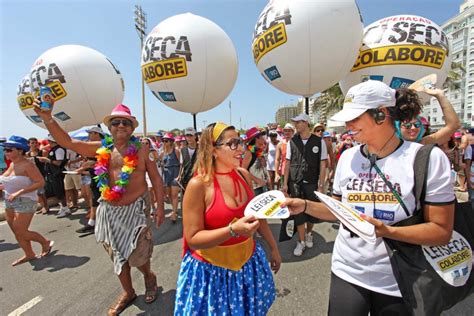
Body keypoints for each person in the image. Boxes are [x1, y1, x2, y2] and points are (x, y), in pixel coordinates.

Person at [283, 80, 455, 315]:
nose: (347, 124)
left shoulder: (428, 159)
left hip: (400, 280)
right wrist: (304, 205)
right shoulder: (348, 157)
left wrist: (389, 231)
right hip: (347, 270)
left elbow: (441, 231)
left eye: (355, 118)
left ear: (381, 115)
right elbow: (340, 210)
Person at [33, 102, 165, 315]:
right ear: (110, 127)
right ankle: (128, 291)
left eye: (125, 122)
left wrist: (159, 207)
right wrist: (48, 118)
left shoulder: (143, 150)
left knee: (138, 255)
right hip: (109, 211)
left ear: (132, 128)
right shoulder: (101, 149)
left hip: (135, 211)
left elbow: (156, 179)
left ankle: (149, 277)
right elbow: (67, 141)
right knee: (117, 256)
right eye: (115, 122)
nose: (120, 125)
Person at [174, 122, 280, 315]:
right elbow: (193, 238)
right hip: (212, 274)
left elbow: (258, 217)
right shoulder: (198, 185)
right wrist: (232, 230)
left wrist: (273, 247)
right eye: (233, 144)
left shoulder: (243, 175)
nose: (241, 148)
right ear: (213, 150)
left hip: (248, 266)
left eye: (240, 142)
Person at [0, 136, 54, 266]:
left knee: (21, 231)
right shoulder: (13, 164)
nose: (6, 152)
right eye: (5, 150)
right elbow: (7, 179)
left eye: (9, 150)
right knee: (15, 231)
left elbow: (40, 182)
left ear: (20, 151)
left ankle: (45, 242)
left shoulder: (28, 165)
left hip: (25, 200)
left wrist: (19, 192)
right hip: (9, 200)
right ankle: (29, 254)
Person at [283, 113, 327, 257]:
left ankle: (309, 233)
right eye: (295, 122)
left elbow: (323, 163)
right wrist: (285, 183)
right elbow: (288, 162)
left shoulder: (319, 141)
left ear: (306, 123)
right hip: (295, 182)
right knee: (298, 212)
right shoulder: (292, 141)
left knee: (312, 211)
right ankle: (301, 241)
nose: (296, 125)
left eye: (298, 122)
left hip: (312, 182)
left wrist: (321, 184)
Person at [394, 87, 461, 145]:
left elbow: (454, 125)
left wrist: (440, 95)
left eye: (417, 124)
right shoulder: (390, 146)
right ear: (397, 127)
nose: (413, 128)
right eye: (407, 125)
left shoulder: (423, 143)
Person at [74, 126, 105, 234]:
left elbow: (104, 163)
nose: (88, 135)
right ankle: (92, 223)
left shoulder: (105, 145)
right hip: (94, 176)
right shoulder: (91, 147)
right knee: (94, 199)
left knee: (102, 200)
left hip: (103, 179)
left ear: (97, 134)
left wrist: (85, 167)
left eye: (90, 133)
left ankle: (98, 223)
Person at [160, 132, 181, 223]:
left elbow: (181, 164)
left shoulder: (176, 151)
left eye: (166, 141)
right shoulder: (162, 152)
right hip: (166, 174)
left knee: (174, 194)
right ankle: (174, 209)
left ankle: (174, 213)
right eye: (163, 141)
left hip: (175, 173)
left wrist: (180, 175)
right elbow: (160, 164)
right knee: (169, 195)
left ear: (171, 142)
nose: (164, 142)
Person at [242, 127, 270, 195]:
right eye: (261, 136)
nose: (264, 138)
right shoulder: (249, 152)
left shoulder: (258, 151)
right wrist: (257, 180)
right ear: (256, 138)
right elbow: (243, 170)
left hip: (263, 185)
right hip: (254, 188)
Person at [26, 137, 49, 214]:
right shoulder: (27, 154)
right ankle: (43, 206)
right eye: (32, 143)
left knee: (41, 192)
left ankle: (46, 207)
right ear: (28, 144)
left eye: (36, 143)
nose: (35, 144)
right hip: (31, 175)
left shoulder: (42, 152)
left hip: (41, 174)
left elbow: (47, 162)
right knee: (36, 193)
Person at [274, 123, 294, 189]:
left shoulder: (296, 143)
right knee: (284, 192)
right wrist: (276, 173)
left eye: (289, 130)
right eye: (285, 130)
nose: (287, 132)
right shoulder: (280, 144)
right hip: (283, 172)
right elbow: (277, 159)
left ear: (292, 132)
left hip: (294, 172)